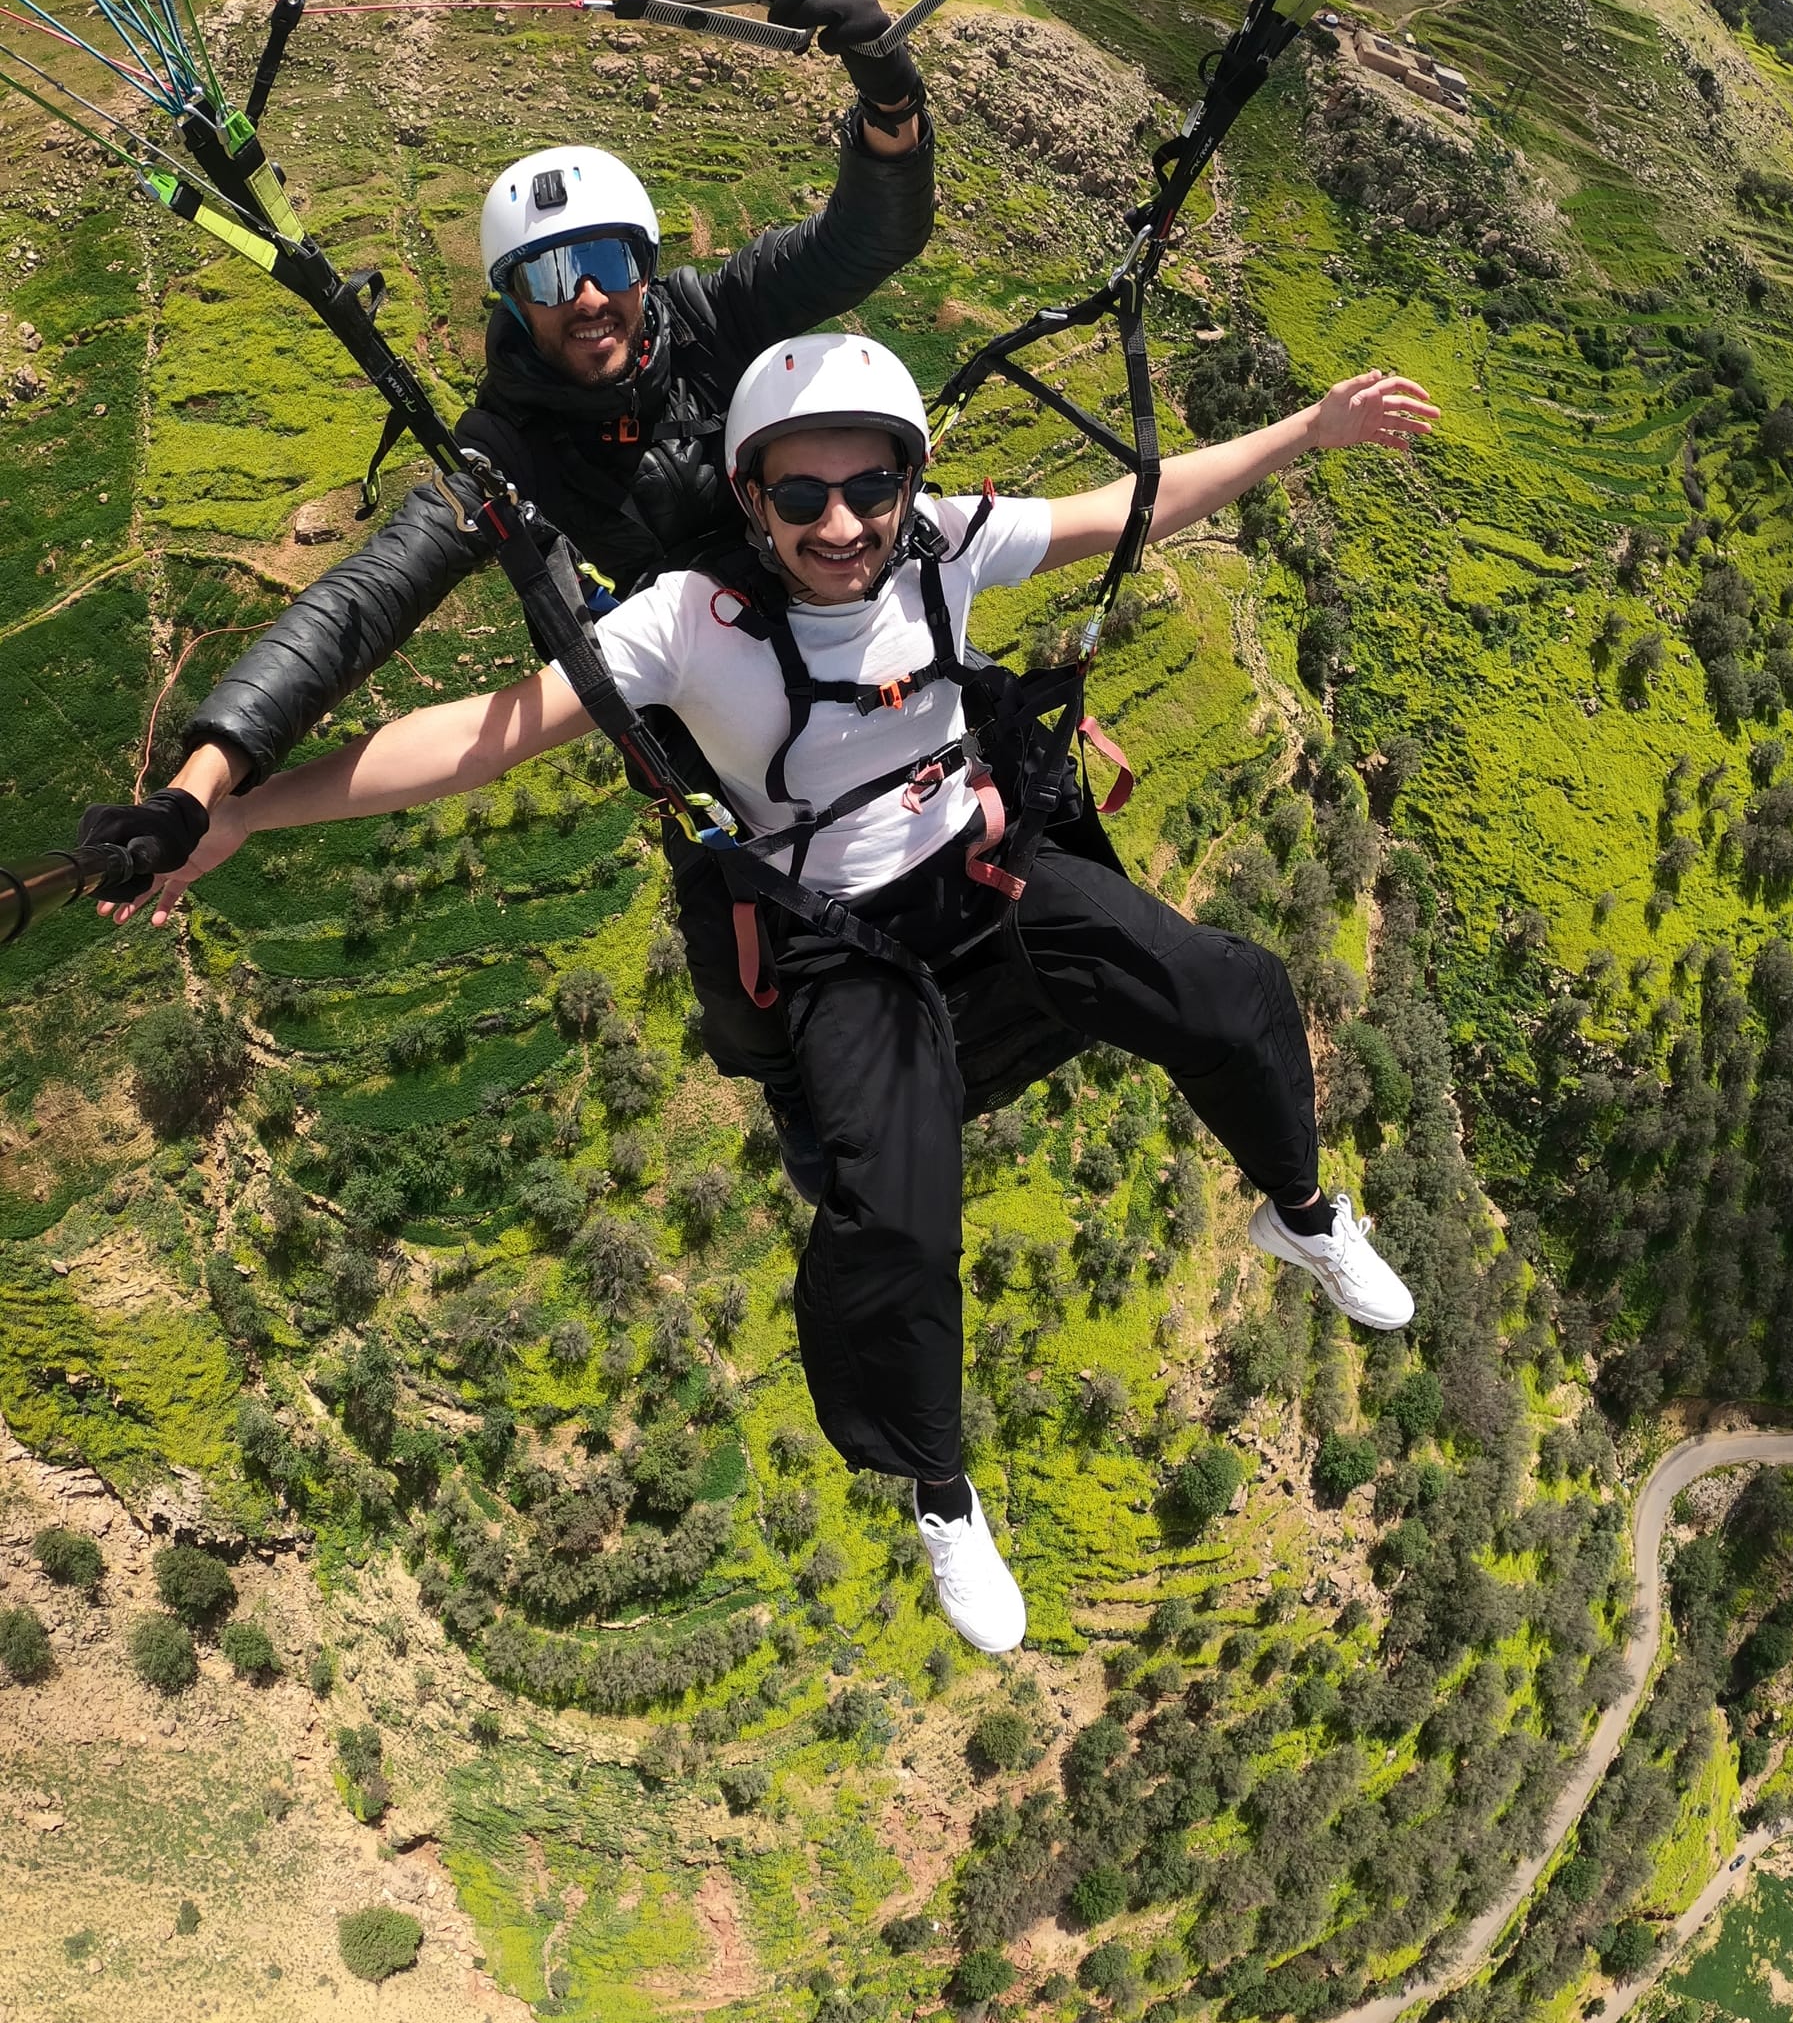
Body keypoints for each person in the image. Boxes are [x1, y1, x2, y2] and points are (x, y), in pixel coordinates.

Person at [165, 332, 1441, 1654]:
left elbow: (1129, 508)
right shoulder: (686, 622)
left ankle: (1300, 1214)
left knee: (1231, 989)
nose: (841, 525)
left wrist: (1305, 431)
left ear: (906, 483)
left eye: (869, 488)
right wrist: (245, 806)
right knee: (898, 1222)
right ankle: (940, 1485)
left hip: (984, 868)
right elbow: (479, 739)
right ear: (751, 497)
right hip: (841, 940)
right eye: (801, 495)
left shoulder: (947, 545)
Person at [71, 0, 934, 1194]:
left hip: (840, 641)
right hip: (708, 751)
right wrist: (207, 781)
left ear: (645, 262)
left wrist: (885, 85)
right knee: (743, 1001)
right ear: (510, 303)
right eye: (543, 277)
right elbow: (361, 604)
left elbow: (868, 235)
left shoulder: (709, 318)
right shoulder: (502, 452)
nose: (585, 298)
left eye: (607, 263)